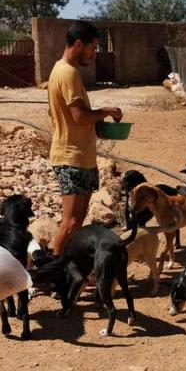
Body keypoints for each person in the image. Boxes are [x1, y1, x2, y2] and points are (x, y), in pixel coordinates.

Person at [48, 20, 123, 255]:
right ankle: (55, 274)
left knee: (77, 224)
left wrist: (97, 122)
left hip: (81, 157)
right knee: (70, 223)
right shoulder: (68, 73)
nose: (93, 54)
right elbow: (79, 116)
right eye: (92, 47)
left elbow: (65, 115)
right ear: (79, 44)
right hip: (71, 158)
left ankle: (70, 271)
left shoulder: (63, 70)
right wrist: (107, 111)